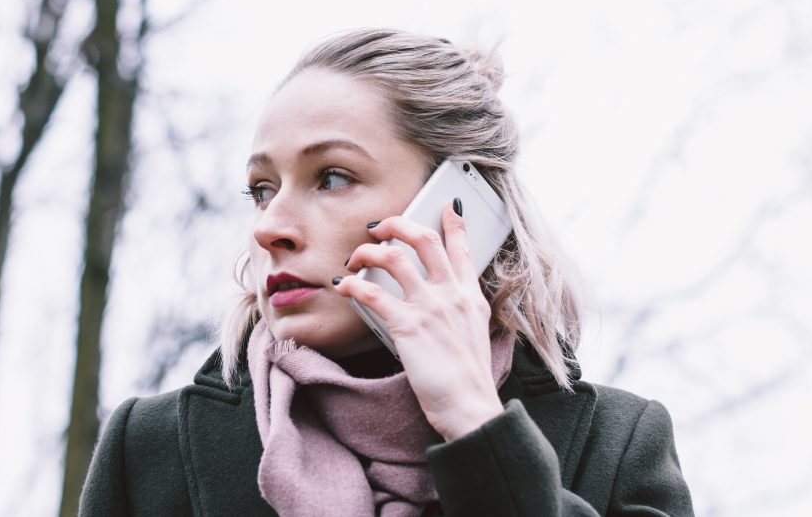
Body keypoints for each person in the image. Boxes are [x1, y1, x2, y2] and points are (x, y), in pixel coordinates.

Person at [78, 29, 695, 516]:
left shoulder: (618, 443)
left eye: (333, 177)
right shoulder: (150, 448)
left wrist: (477, 426)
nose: (270, 227)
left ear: (459, 210)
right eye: (262, 189)